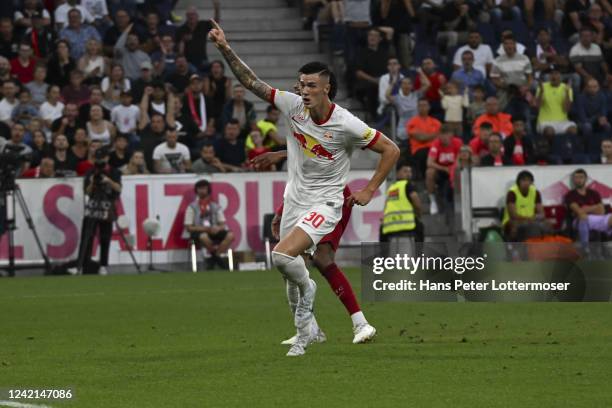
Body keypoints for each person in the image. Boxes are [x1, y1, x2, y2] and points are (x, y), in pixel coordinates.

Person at [209, 20, 399, 356]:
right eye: (301, 85)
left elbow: (391, 149)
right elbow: (252, 82)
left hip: (326, 203)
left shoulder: (347, 123)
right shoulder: (293, 106)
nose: (304, 91)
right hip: (294, 198)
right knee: (287, 271)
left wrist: (369, 189)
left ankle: (323, 310)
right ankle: (311, 329)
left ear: (326, 88)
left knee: (285, 257)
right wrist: (225, 48)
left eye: (310, 85)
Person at [252, 149, 377, 346]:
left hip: (331, 196)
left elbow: (318, 152)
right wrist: (280, 211)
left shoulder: (319, 126)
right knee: (290, 259)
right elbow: (298, 182)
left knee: (322, 257)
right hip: (307, 198)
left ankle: (361, 323)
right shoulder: (300, 129)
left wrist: (280, 154)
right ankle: (310, 329)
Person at [71, 147, 122, 276]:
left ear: (107, 158)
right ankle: (81, 265)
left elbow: (119, 188)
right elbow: (87, 192)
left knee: (105, 237)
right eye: (97, 158)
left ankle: (103, 265)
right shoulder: (90, 172)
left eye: (102, 158)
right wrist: (92, 182)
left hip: (106, 206)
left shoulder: (114, 171)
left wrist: (108, 181)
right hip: (93, 206)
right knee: (86, 236)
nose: (100, 161)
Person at [184, 179, 234, 269]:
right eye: (200, 188)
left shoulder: (215, 206)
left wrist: (217, 228)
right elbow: (189, 227)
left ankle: (214, 258)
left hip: (213, 230)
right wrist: (206, 229)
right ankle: (218, 260)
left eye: (204, 188)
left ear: (208, 190)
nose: (202, 190)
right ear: (196, 190)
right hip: (199, 231)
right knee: (203, 236)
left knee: (230, 235)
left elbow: (222, 224)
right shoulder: (192, 207)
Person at [564, 168, 610, 248]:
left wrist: (586, 208)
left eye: (581, 177)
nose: (578, 180)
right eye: (576, 177)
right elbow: (579, 212)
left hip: (596, 219)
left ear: (586, 179)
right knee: (583, 219)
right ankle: (585, 250)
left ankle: (607, 250)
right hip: (578, 220)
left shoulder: (594, 193)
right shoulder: (570, 195)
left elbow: (601, 211)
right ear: (573, 180)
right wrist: (595, 207)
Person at [425, 125, 463, 214]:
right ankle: (432, 201)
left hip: (454, 169)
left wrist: (452, 169)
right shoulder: (436, 144)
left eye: (446, 135)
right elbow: (429, 162)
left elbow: (459, 160)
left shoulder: (458, 142)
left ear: (451, 135)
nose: (444, 138)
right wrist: (444, 168)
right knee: (429, 172)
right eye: (442, 135)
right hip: (441, 170)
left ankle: (458, 200)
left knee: (458, 170)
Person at [381, 163, 422, 240]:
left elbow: (386, 206)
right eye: (405, 171)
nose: (409, 174)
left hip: (389, 227)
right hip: (407, 225)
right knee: (420, 227)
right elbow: (415, 199)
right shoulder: (407, 184)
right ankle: (419, 252)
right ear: (397, 173)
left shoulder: (391, 188)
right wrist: (419, 213)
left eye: (410, 172)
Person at [501, 170, 546, 241]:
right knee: (516, 226)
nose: (526, 183)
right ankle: (515, 249)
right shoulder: (512, 193)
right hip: (513, 221)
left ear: (531, 182)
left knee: (547, 225)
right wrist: (529, 219)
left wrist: (537, 217)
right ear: (518, 182)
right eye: (524, 180)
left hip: (531, 220)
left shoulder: (536, 192)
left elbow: (542, 213)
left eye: (529, 181)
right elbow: (513, 215)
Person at [406, 98, 441, 177]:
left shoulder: (436, 122)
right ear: (417, 107)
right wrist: (434, 135)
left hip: (435, 148)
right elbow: (421, 138)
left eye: (424, 105)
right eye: (420, 105)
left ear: (429, 107)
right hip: (419, 149)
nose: (422, 107)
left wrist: (425, 136)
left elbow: (441, 136)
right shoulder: (412, 122)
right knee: (425, 155)